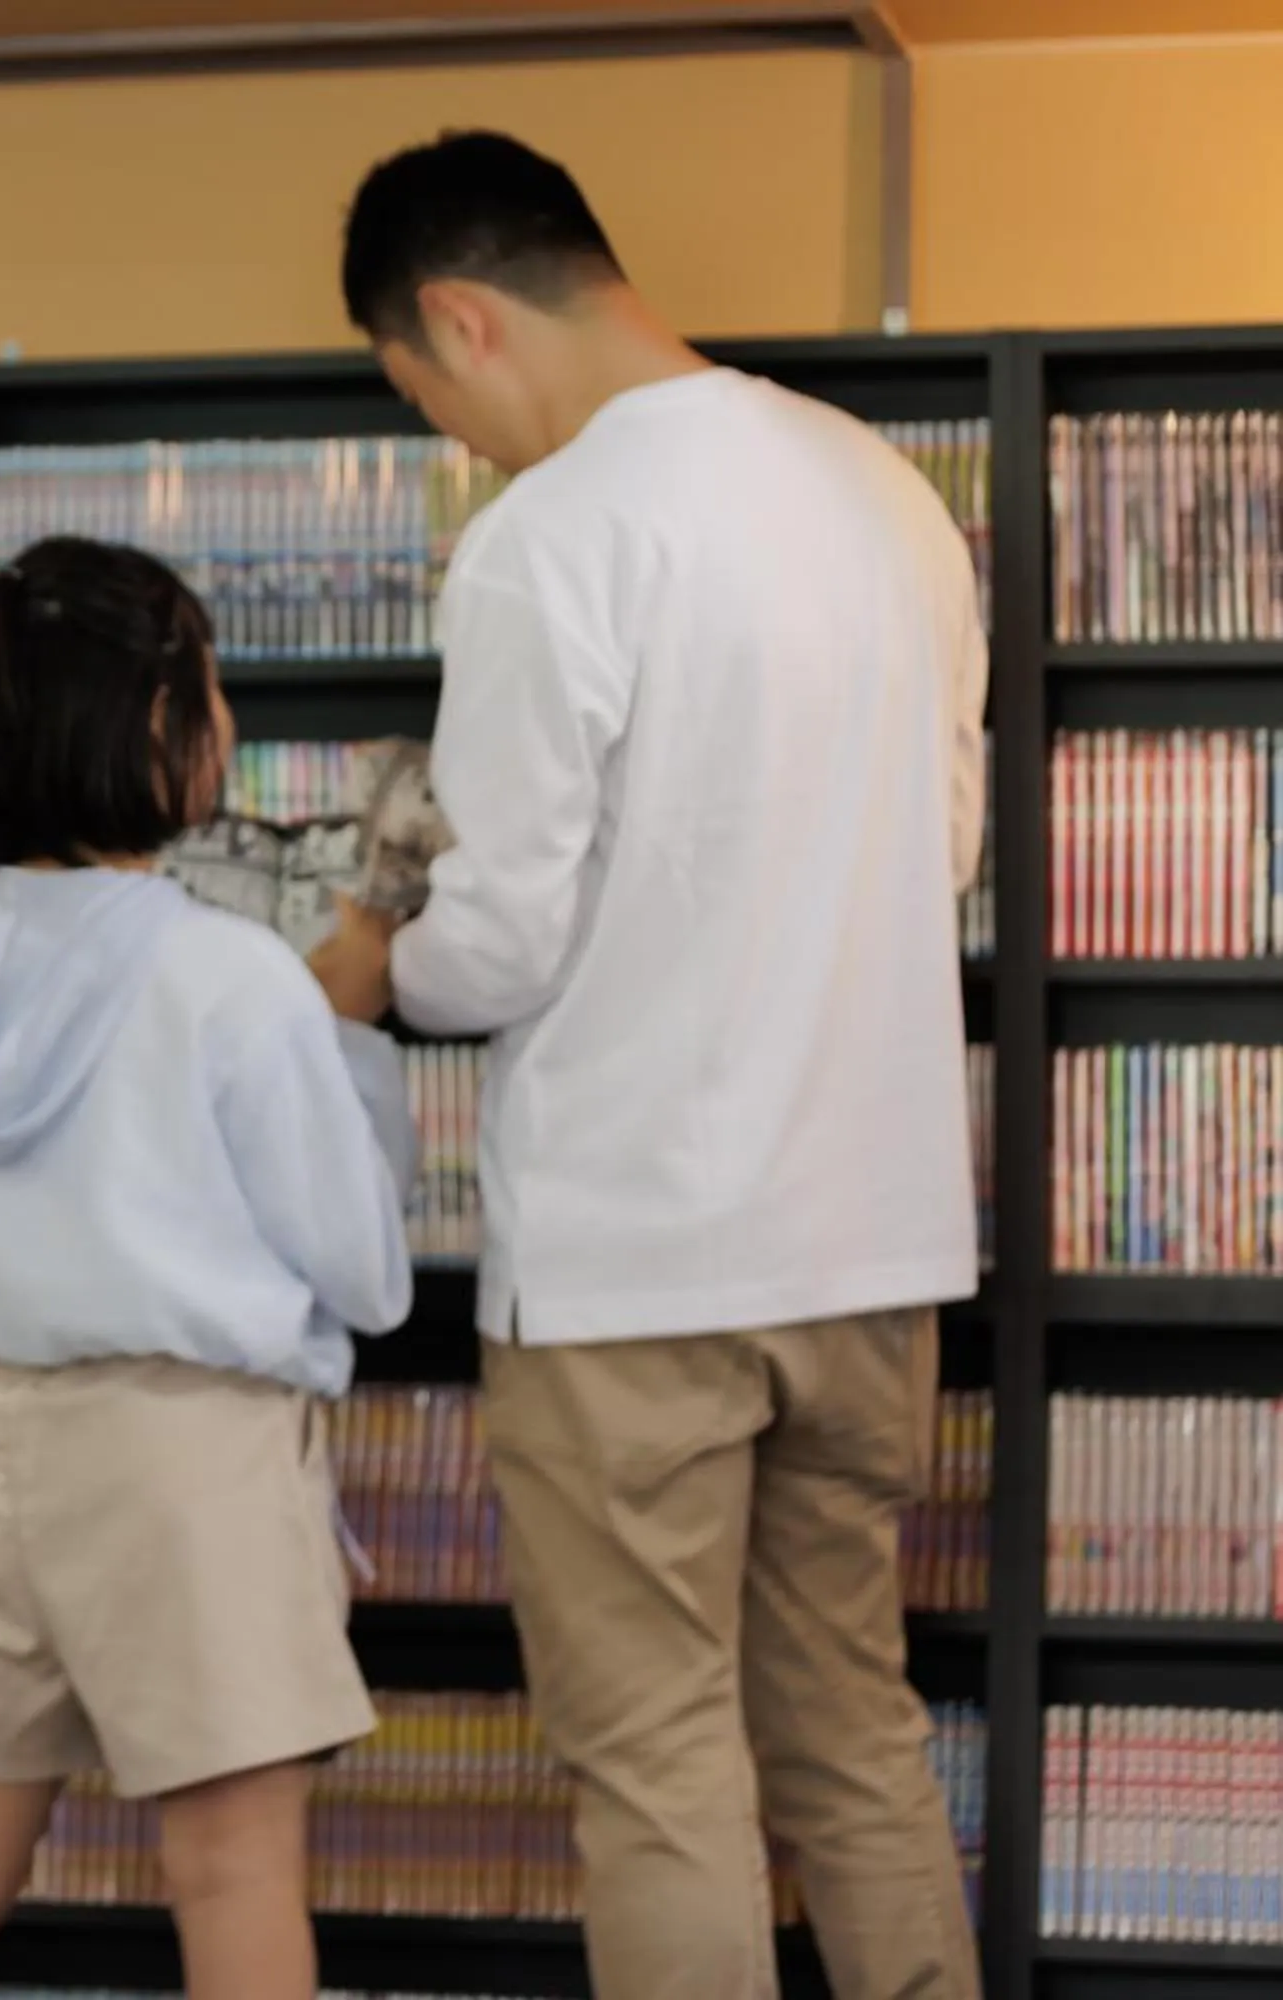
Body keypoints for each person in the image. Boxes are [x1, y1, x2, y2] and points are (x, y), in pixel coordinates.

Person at [340, 131, 987, 2000]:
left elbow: (502, 937)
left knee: (661, 1771)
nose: (468, 440)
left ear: (460, 316)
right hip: (870, 1248)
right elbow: (940, 846)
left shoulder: (552, 540)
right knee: (855, 1736)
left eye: (432, 395)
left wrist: (375, 958)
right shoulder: (883, 492)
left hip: (637, 1271)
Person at [0, 535, 417, 2000]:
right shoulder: (229, 977)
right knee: (233, 1875)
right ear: (159, 725)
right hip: (187, 1457)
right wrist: (350, 1031)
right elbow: (369, 1270)